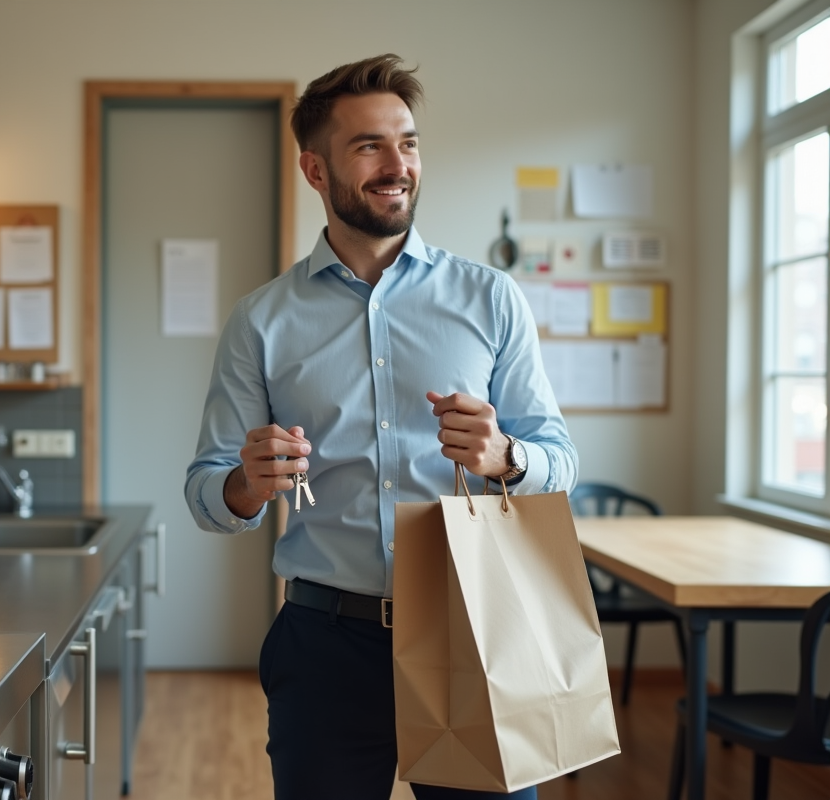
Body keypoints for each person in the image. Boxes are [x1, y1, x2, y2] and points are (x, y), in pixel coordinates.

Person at [184, 54, 577, 800]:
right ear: (314, 170)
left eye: (409, 142)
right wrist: (245, 485)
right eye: (369, 145)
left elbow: (560, 459)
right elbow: (207, 494)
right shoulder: (260, 321)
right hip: (324, 644)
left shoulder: (491, 299)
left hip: (474, 631)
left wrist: (508, 456)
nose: (398, 164)